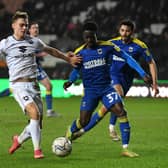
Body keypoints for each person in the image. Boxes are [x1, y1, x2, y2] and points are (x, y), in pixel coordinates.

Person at [0, 11, 81, 159]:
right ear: (13, 26)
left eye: (26, 25)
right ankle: (37, 150)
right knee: (34, 113)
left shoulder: (33, 41)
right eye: (21, 25)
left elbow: (50, 50)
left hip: (34, 85)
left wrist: (67, 59)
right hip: (18, 86)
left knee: (37, 123)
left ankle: (18, 140)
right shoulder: (5, 44)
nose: (24, 28)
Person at [65, 21, 152, 157]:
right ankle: (69, 132)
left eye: (92, 37)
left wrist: (143, 74)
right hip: (90, 91)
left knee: (121, 111)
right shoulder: (80, 52)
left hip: (107, 88)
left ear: (96, 35)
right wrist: (70, 81)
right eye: (87, 37)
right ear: (83, 37)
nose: (89, 40)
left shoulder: (107, 46)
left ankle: (125, 148)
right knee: (83, 121)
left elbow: (127, 58)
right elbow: (76, 70)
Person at [0, 21, 60, 117]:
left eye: (37, 28)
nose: (36, 30)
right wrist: (41, 54)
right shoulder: (26, 41)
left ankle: (49, 111)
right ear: (29, 30)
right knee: (16, 89)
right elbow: (26, 55)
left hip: (37, 69)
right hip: (27, 71)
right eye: (34, 28)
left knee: (49, 86)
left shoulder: (36, 41)